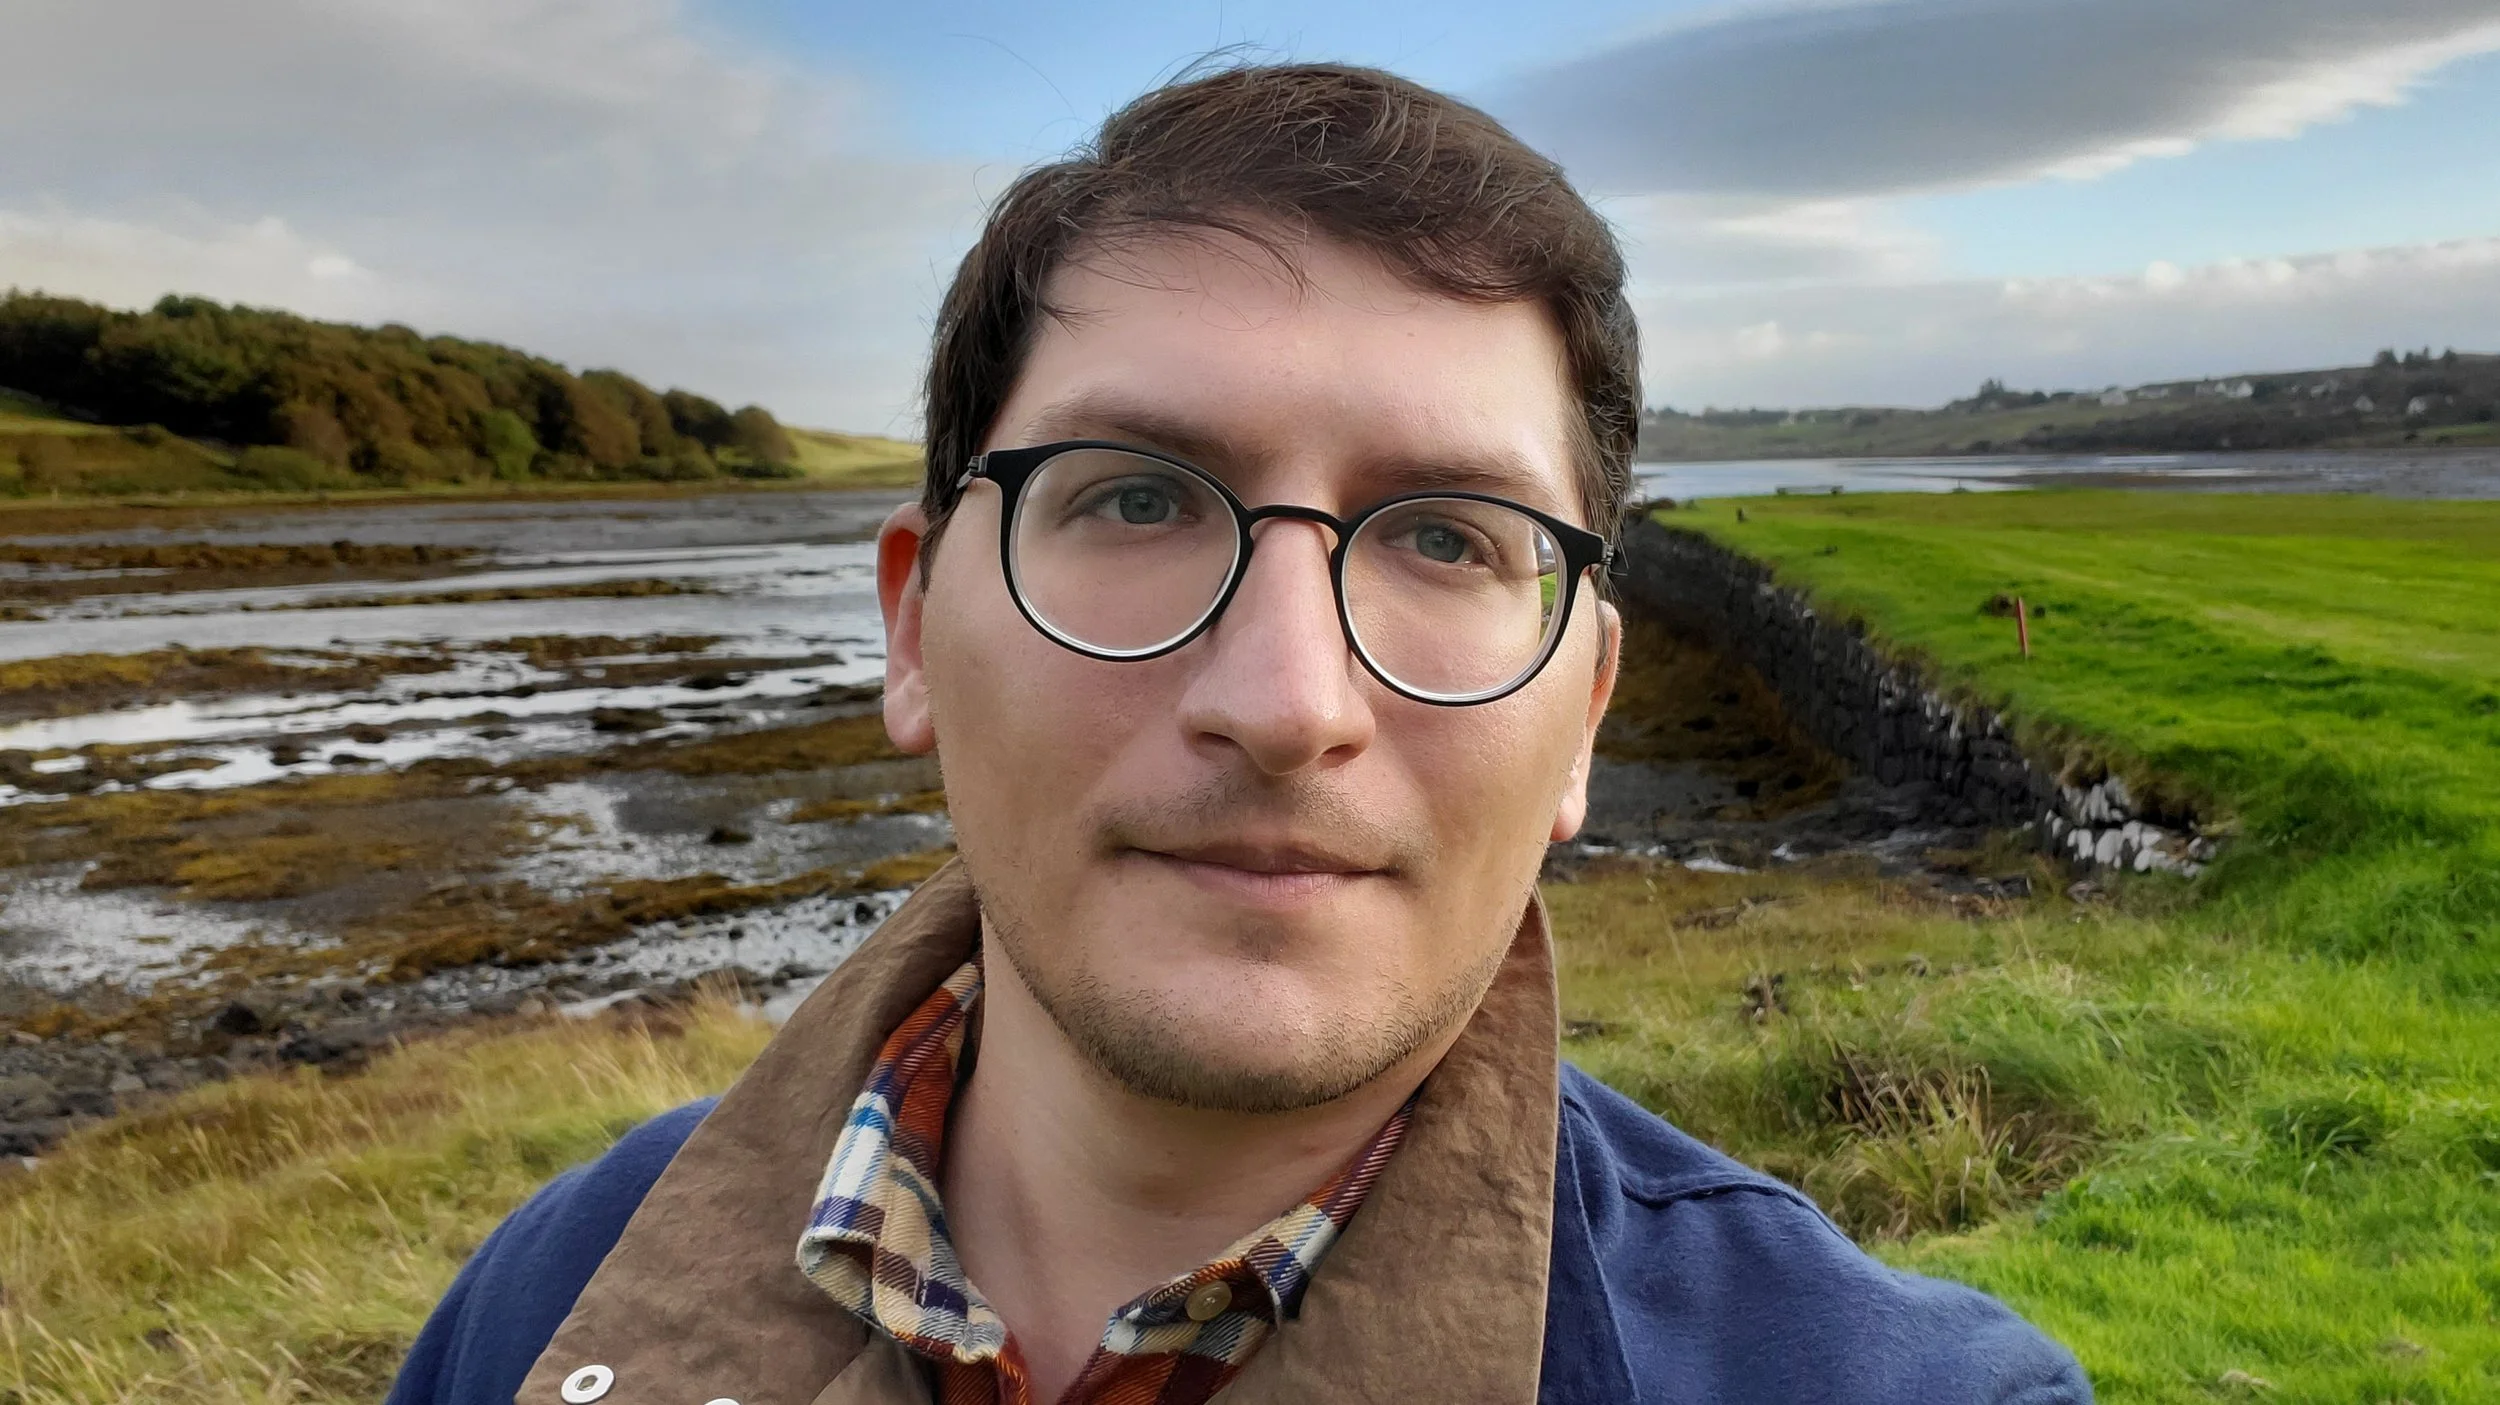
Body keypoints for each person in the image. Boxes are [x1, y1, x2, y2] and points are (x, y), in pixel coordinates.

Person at [387, 63, 2091, 1405]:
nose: (1286, 704)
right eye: (1132, 498)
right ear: (914, 628)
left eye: (1447, 538)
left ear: (1582, 710)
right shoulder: (548, 1302)